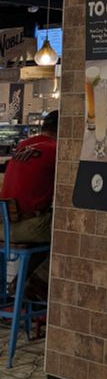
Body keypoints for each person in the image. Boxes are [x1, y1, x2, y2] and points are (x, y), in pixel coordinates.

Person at [0, 110, 58, 300]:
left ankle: (19, 287)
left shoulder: (24, 145)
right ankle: (33, 287)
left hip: (4, 225)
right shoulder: (56, 150)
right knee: (70, 237)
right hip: (26, 227)